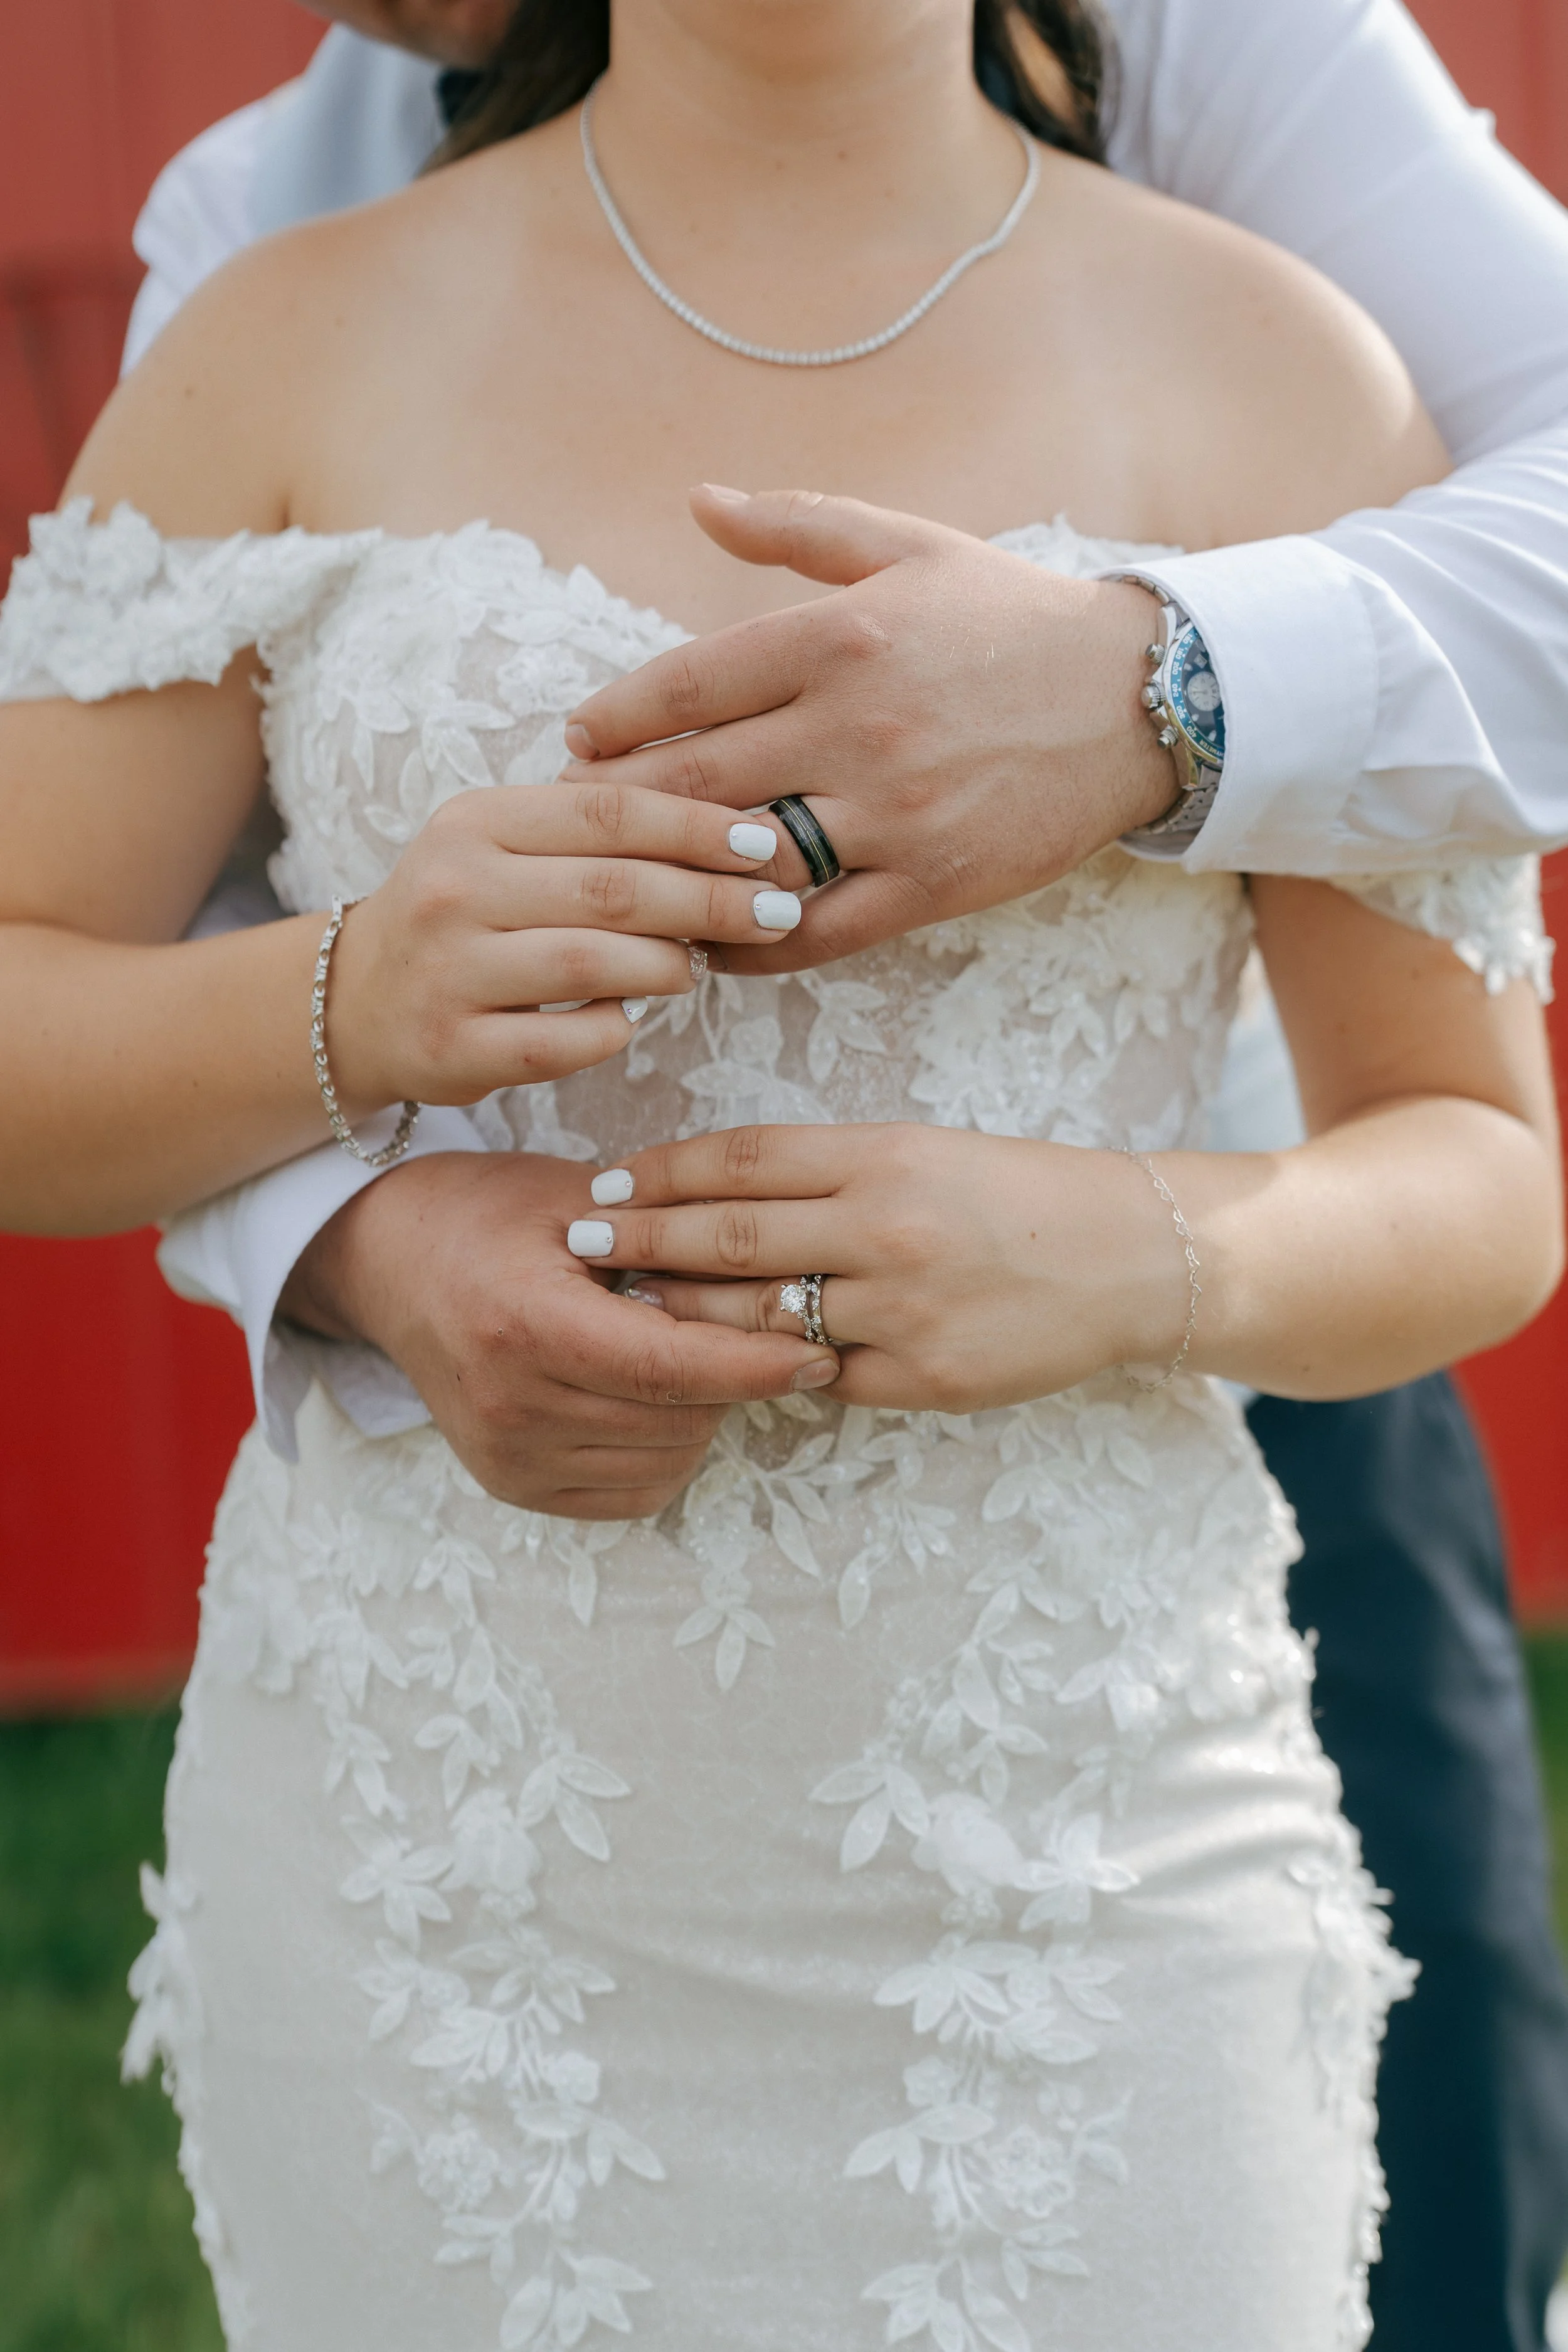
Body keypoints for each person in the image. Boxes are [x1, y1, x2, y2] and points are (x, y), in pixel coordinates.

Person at [1, 2, 1562, 2344]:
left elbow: (1470, 1169)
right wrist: (348, 994)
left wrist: (1124, 1255)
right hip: (448, 1895)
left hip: (1086, 1889)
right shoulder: (280, 329)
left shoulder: (1284, 368)